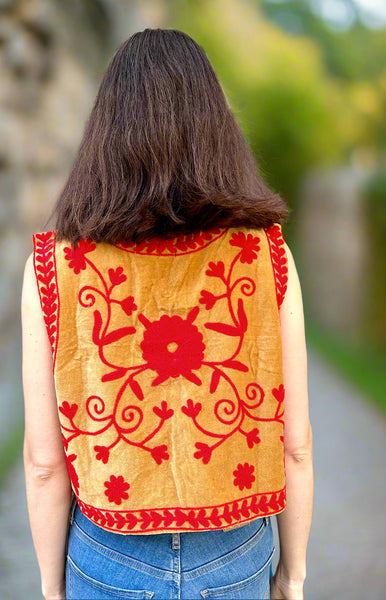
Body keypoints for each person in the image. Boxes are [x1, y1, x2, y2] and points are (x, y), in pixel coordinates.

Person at [21, 28, 313, 600]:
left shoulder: (55, 265)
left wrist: (52, 588)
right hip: (235, 554)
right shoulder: (265, 252)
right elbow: (296, 443)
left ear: (105, 132)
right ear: (216, 128)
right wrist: (294, 574)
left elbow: (43, 463)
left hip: (107, 554)